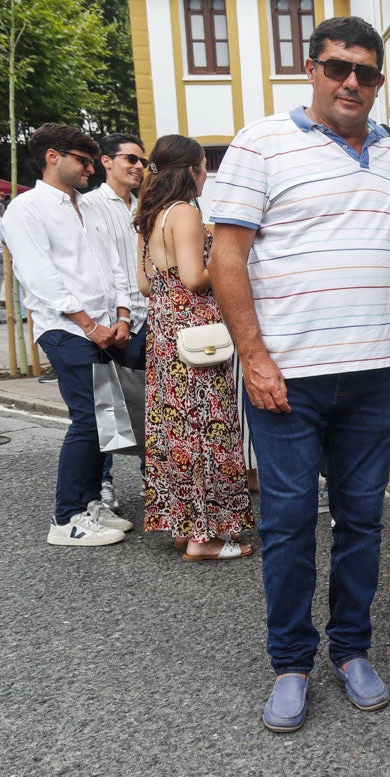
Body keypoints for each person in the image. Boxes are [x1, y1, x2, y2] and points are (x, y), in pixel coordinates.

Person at [211, 16, 390, 733]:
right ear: (310, 69)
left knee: (360, 523)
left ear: (379, 82)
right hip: (287, 376)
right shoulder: (261, 144)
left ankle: (351, 651)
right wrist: (253, 357)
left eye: (367, 73)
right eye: (339, 67)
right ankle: (290, 663)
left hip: (374, 374)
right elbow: (228, 259)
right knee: (286, 525)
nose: (352, 82)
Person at [4, 123, 135, 547]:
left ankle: (92, 501)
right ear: (53, 157)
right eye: (83, 160)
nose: (91, 169)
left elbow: (113, 263)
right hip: (66, 330)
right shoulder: (26, 210)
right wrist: (89, 324)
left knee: (106, 419)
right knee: (87, 420)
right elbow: (39, 276)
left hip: (103, 326)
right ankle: (66, 518)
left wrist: (121, 314)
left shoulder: (90, 207)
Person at [135, 135, 255, 562]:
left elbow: (146, 284)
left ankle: (186, 526)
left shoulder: (149, 215)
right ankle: (205, 537)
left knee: (176, 430)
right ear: (190, 170)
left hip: (165, 334)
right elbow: (193, 277)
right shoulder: (184, 212)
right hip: (196, 335)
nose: (207, 175)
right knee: (207, 428)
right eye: (205, 166)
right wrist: (224, 262)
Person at [83, 132, 149, 515]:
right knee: (105, 403)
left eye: (142, 161)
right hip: (109, 322)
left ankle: (152, 476)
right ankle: (103, 484)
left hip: (148, 317)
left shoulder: (144, 207)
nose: (138, 166)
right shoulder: (90, 206)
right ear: (106, 161)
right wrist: (109, 320)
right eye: (130, 159)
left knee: (151, 402)